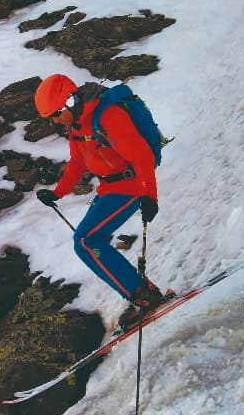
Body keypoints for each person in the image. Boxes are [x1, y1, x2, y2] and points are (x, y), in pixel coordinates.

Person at [32, 74, 170, 331]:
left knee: (86, 240)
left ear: (70, 102)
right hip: (109, 188)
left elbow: (142, 158)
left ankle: (143, 296)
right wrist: (57, 193)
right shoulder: (76, 125)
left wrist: (149, 196)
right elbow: (77, 163)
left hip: (129, 187)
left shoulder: (108, 117)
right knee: (87, 241)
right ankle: (142, 293)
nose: (54, 121)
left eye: (55, 114)